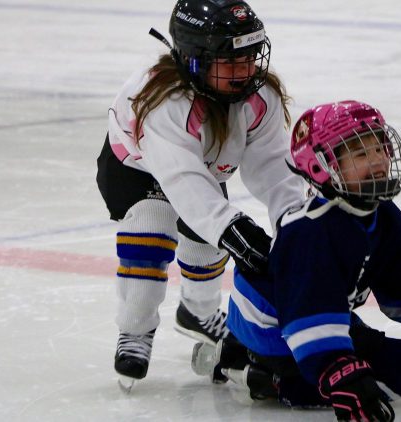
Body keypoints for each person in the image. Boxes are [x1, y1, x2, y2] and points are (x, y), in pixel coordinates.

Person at [192, 100, 401, 421]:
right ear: (321, 167)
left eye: (379, 149)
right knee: (377, 378)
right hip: (272, 323)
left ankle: (244, 356)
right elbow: (308, 317)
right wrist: (340, 373)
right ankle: (260, 376)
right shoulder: (310, 231)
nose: (377, 161)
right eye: (360, 154)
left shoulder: (384, 216)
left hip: (321, 311)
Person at [95, 0, 304, 391]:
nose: (244, 70)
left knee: (209, 248)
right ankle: (135, 330)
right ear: (194, 59)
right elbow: (183, 181)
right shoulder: (164, 103)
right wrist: (233, 226)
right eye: (230, 60)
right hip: (135, 169)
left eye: (249, 57)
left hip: (201, 167)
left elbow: (273, 168)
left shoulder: (258, 98)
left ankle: (199, 313)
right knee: (151, 228)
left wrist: (294, 218)